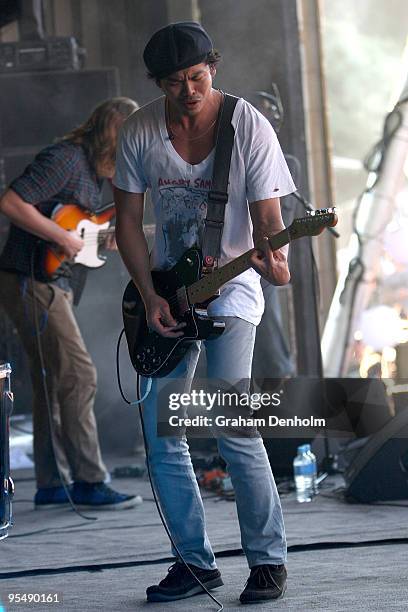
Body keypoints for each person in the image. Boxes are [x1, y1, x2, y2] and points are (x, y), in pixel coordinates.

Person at [114, 22, 296, 603]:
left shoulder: (248, 127)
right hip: (168, 291)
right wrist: (149, 295)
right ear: (158, 84)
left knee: (230, 419)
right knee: (161, 433)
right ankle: (194, 564)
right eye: (174, 84)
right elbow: (126, 224)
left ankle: (268, 561)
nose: (189, 92)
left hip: (232, 290)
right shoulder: (140, 130)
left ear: (212, 68)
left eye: (197, 78)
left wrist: (276, 258)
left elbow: (269, 221)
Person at [0, 97, 142, 510]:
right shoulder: (65, 159)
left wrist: (102, 239)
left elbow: (81, 232)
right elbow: (11, 202)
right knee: (80, 375)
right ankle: (89, 480)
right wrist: (62, 238)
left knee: (53, 381)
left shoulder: (93, 177)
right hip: (32, 279)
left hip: (48, 281)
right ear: (111, 136)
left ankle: (52, 483)